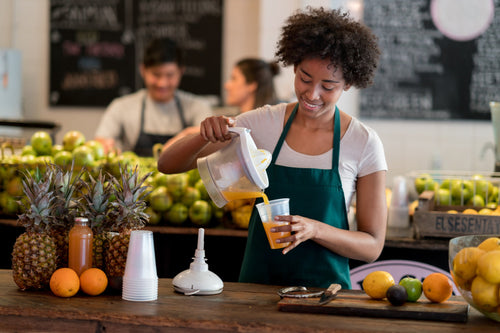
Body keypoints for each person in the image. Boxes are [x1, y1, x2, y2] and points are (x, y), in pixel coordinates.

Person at [157, 7, 387, 289]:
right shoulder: (264, 124)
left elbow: (372, 245)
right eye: (304, 78)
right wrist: (203, 135)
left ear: (348, 83)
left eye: (328, 86)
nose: (312, 94)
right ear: (294, 67)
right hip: (257, 292)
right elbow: (166, 165)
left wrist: (315, 229)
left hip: (326, 296)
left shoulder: (363, 142)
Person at [94, 38, 212, 156]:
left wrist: (186, 136)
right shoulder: (121, 107)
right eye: (156, 74)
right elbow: (101, 141)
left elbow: (212, 140)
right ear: (143, 70)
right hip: (136, 174)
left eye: (170, 75)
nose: (162, 83)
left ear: (181, 71)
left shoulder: (197, 106)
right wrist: (106, 147)